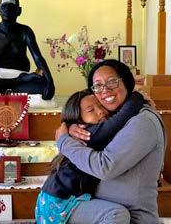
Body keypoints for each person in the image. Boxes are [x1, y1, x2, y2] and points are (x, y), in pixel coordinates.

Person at [56, 59, 166, 223]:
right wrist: (73, 129)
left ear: (126, 82)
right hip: (104, 214)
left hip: (131, 218)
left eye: (112, 81)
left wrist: (65, 142)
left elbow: (105, 167)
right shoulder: (114, 119)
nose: (105, 90)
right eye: (98, 86)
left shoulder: (143, 121)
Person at [36, 88, 144, 224]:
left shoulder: (81, 132)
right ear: (78, 119)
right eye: (90, 110)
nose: (100, 111)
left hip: (55, 197)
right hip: (60, 201)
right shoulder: (88, 134)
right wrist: (136, 96)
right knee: (116, 214)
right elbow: (122, 116)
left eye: (100, 105)